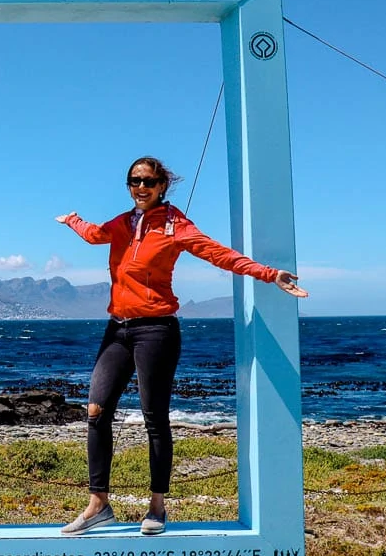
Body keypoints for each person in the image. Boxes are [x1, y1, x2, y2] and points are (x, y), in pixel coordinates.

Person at [55, 156, 307, 536]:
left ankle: (157, 506)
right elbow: (95, 235)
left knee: (154, 417)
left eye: (149, 182)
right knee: (95, 409)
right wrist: (73, 220)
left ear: (162, 187)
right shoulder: (122, 223)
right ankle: (98, 503)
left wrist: (269, 274)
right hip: (118, 328)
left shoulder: (176, 226)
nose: (141, 188)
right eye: (134, 181)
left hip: (156, 329)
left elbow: (218, 253)